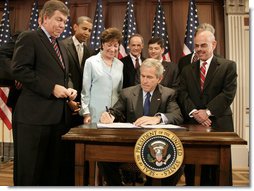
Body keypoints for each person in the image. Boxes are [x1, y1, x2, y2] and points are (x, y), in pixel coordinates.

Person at [11, 0, 77, 186]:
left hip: (58, 120)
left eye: (64, 22)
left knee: (51, 174)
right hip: (33, 119)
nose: (62, 25)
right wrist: (51, 88)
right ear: (45, 18)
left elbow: (66, 75)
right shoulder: (29, 37)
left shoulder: (62, 46)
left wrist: (69, 87)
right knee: (30, 173)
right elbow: (19, 70)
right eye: (58, 20)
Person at [99, 58, 183, 186]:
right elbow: (115, 111)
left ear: (159, 79)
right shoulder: (127, 93)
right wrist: (109, 116)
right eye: (142, 76)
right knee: (103, 157)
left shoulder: (167, 94)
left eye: (149, 77)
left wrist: (158, 118)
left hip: (156, 146)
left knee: (179, 160)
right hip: (130, 145)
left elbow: (177, 116)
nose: (144, 80)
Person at [178, 28, 237, 185]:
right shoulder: (186, 69)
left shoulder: (228, 66)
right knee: (193, 169)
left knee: (219, 171)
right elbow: (182, 94)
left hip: (219, 123)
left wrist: (208, 112)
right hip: (193, 124)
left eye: (203, 45)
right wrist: (195, 113)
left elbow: (228, 94)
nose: (199, 50)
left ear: (214, 44)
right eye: (196, 45)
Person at [79, 27, 123, 124]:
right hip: (94, 113)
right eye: (109, 45)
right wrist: (86, 113)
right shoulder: (91, 62)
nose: (112, 49)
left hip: (114, 115)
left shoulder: (120, 64)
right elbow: (85, 91)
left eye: (116, 45)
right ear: (102, 45)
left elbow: (119, 92)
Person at [62, 16, 93, 127]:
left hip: (83, 106)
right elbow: (63, 75)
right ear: (75, 27)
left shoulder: (90, 50)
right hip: (66, 101)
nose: (87, 33)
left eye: (89, 30)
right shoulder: (63, 46)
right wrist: (69, 100)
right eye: (84, 28)